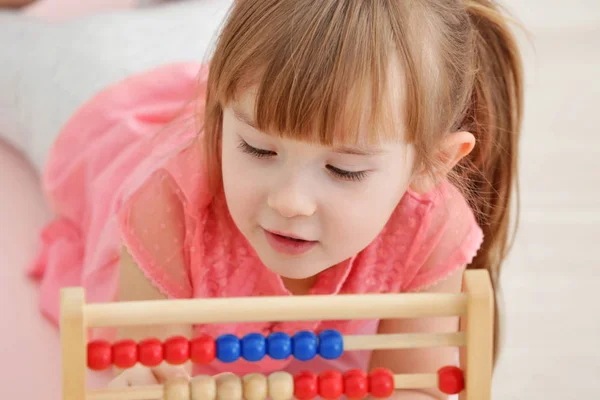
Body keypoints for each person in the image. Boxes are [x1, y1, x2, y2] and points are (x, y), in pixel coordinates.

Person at [29, 0, 523, 398]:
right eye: (257, 149)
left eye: (343, 169)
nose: (291, 202)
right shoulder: (168, 205)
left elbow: (419, 386)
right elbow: (154, 382)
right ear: (222, 121)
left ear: (432, 164)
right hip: (98, 108)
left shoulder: (432, 228)